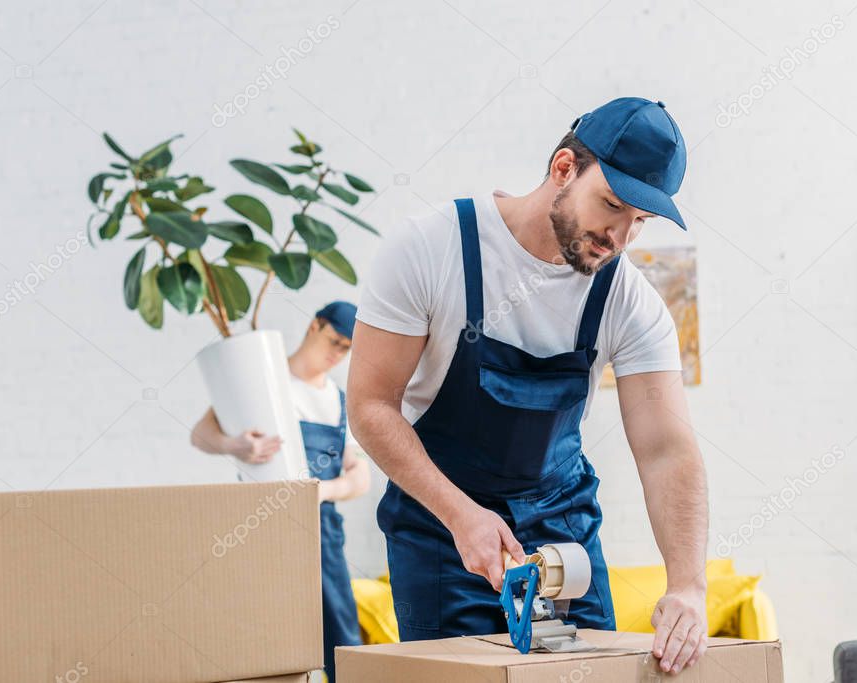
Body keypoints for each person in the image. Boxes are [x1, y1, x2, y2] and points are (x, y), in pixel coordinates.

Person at [347, 98, 709, 675]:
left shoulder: (627, 298)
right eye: (612, 205)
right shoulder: (428, 249)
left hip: (562, 531)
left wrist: (688, 585)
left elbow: (667, 450)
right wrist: (462, 516)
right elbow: (370, 406)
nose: (619, 237)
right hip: (442, 528)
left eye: (640, 222)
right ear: (563, 168)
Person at [191, 301, 369, 683]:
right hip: (259, 525)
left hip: (322, 529)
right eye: (335, 341)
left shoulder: (340, 401)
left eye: (346, 349)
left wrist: (321, 491)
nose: (337, 355)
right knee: (263, 628)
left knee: (339, 629)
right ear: (314, 326)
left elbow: (360, 477)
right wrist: (234, 444)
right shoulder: (264, 380)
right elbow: (200, 434)